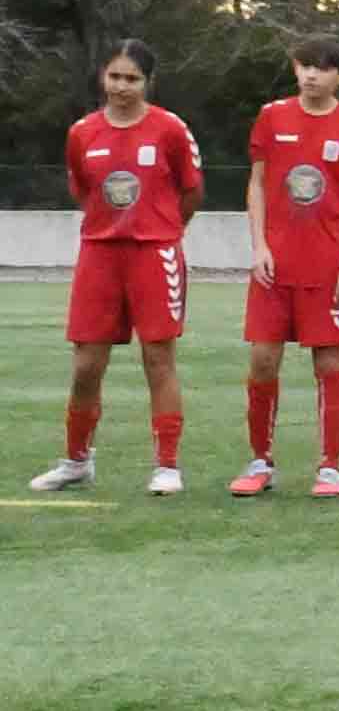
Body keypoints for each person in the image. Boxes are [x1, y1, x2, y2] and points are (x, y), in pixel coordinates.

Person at [29, 40, 203, 496]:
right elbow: (83, 190)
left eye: (132, 78)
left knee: (158, 358)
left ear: (148, 82)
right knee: (86, 364)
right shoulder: (82, 133)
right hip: (99, 253)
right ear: (102, 77)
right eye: (115, 77)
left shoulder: (170, 129)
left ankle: (167, 466)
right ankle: (76, 461)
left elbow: (191, 191)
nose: (122, 86)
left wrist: (164, 231)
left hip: (154, 253)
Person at [227, 36, 339, 499]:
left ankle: (330, 467)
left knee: (328, 360)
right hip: (275, 265)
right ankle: (260, 461)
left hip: (327, 265)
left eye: (323, 68)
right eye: (305, 65)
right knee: (262, 358)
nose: (312, 74)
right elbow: (257, 182)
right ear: (295, 68)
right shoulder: (272, 117)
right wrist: (259, 245)